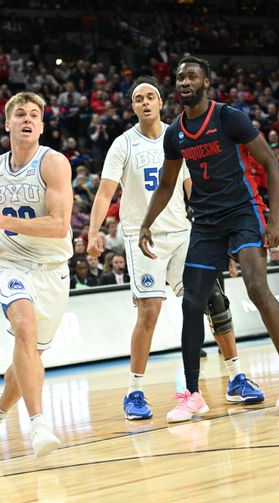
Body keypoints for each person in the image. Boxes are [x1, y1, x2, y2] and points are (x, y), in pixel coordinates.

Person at [139, 57, 279, 423]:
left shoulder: (229, 117)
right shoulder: (175, 134)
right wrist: (146, 223)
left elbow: (271, 165)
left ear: (206, 83)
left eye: (192, 76)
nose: (184, 81)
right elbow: (167, 184)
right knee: (191, 303)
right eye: (180, 77)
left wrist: (274, 220)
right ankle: (193, 394)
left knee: (255, 286)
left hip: (244, 212)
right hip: (206, 222)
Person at [88, 76, 264, 420]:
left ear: (160, 102)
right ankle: (134, 392)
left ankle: (236, 377)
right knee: (149, 311)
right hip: (145, 239)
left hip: (184, 233)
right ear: (133, 106)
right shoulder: (123, 144)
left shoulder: (177, 136)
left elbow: (192, 186)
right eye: (138, 98)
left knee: (215, 302)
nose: (145, 102)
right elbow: (105, 192)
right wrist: (93, 231)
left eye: (150, 96)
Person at [0, 91, 73, 457]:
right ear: (8, 124)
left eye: (34, 115)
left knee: (27, 355)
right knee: (24, 329)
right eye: (20, 114)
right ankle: (39, 424)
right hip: (11, 264)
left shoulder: (53, 163)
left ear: (41, 126)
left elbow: (60, 226)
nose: (27, 120)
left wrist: (0, 220)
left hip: (53, 268)